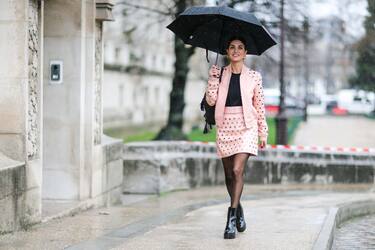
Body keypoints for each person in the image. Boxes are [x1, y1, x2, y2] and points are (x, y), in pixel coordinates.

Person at [205, 37, 268, 239]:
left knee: (237, 169)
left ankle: (230, 218)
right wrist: (213, 79)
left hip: (246, 127)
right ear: (226, 51)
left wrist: (262, 131)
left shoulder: (254, 76)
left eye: (240, 47)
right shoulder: (220, 73)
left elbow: (259, 106)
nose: (236, 50)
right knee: (229, 176)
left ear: (245, 52)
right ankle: (238, 208)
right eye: (232, 47)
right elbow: (211, 100)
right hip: (225, 127)